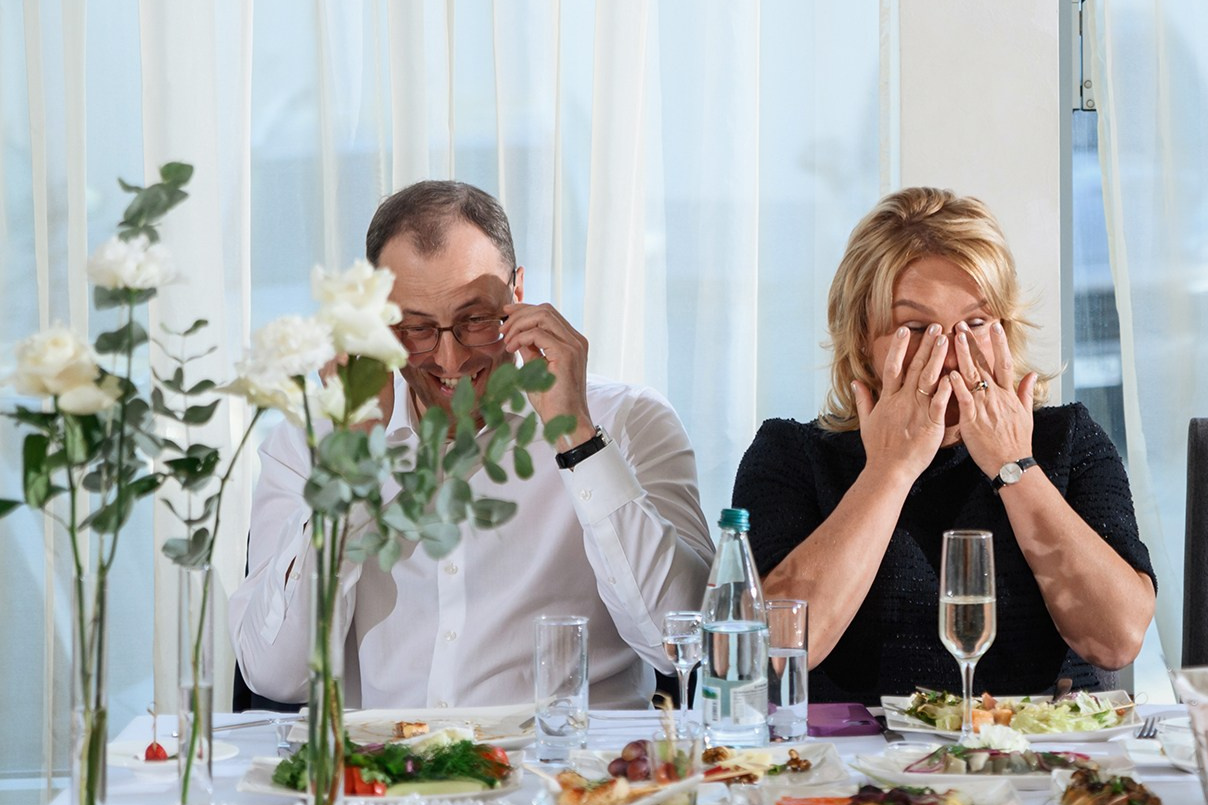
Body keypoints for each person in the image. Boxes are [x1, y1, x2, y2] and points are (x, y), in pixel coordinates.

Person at [232, 181, 716, 709]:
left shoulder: (628, 419)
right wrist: (352, 464)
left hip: (571, 776)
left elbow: (681, 643)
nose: (450, 360)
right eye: (415, 328)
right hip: (389, 776)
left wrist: (578, 438)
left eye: (475, 321)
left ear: (518, 292)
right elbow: (273, 675)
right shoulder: (310, 439)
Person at [732, 187, 1155, 706]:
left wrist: (1013, 464)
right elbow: (776, 646)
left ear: (1004, 328)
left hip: (1033, 760)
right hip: (854, 768)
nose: (952, 352)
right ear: (863, 340)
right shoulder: (790, 453)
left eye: (975, 323)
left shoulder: (1067, 440)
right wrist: (889, 471)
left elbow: (1117, 640)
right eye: (916, 327)